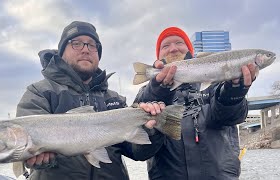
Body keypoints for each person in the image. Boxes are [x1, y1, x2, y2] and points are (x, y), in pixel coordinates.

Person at [15, 21, 164, 180]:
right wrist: (39, 159)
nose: (86, 49)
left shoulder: (114, 100)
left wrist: (151, 131)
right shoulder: (40, 93)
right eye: (76, 43)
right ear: (61, 52)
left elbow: (137, 152)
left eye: (92, 45)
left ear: (98, 55)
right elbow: (25, 144)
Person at [133, 27, 257, 180]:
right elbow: (138, 150)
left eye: (179, 42)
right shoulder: (146, 95)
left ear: (190, 50)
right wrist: (158, 92)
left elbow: (229, 117)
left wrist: (233, 93)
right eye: (165, 46)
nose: (173, 48)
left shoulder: (216, 83)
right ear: (158, 57)